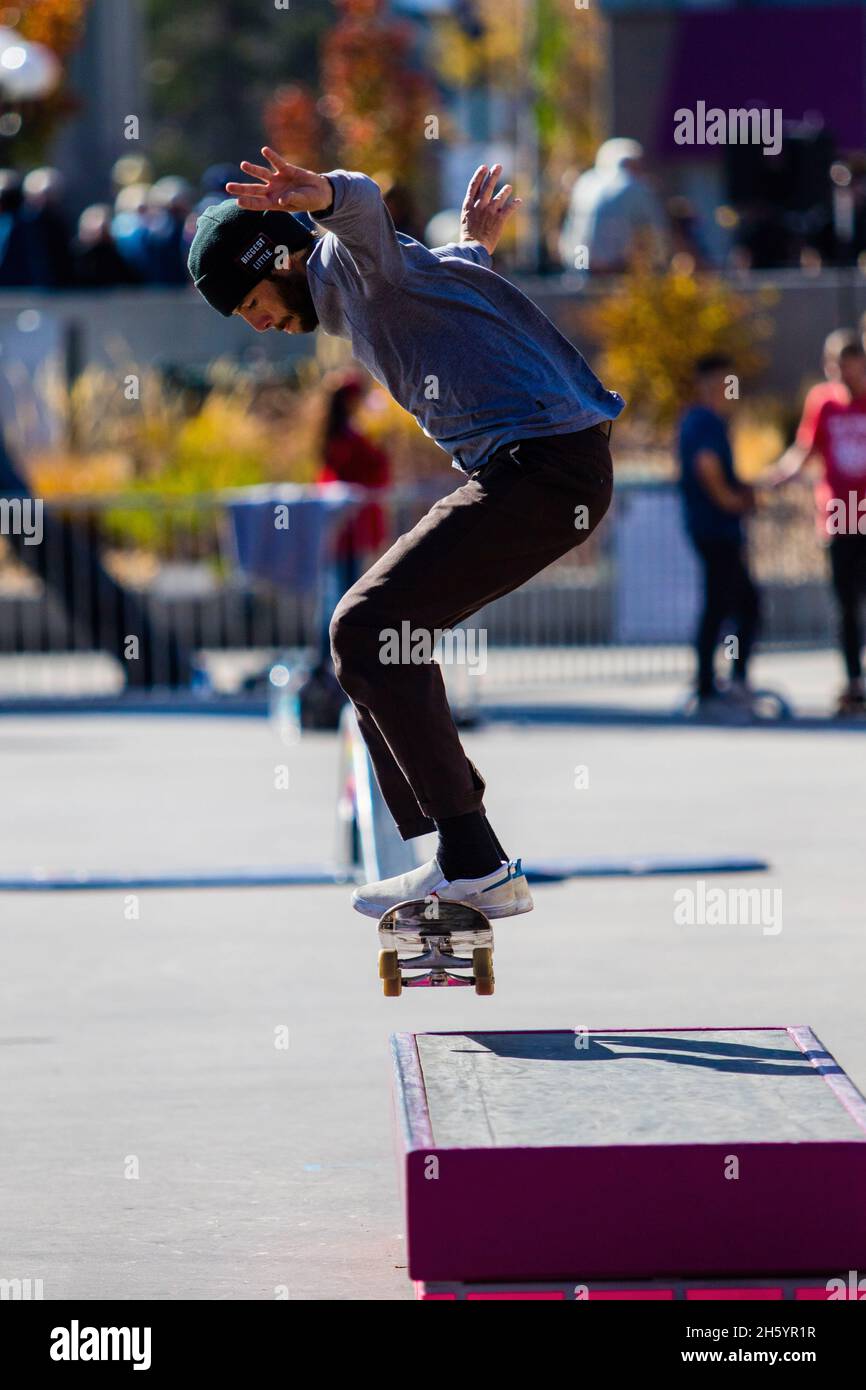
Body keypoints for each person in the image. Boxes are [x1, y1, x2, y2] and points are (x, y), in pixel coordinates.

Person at [189, 150, 623, 919]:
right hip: (544, 471)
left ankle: (472, 858)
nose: (258, 322)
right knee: (380, 637)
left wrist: (323, 193)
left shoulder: (353, 268)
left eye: (252, 300)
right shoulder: (369, 288)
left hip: (541, 470)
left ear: (280, 258)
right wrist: (477, 246)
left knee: (364, 627)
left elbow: (362, 208)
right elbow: (442, 276)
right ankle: (467, 856)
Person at [777, 339, 866, 714]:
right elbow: (805, 451)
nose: (844, 375)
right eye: (836, 367)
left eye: (851, 366)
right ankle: (854, 682)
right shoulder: (823, 401)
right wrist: (775, 477)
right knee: (845, 606)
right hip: (838, 518)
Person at [677, 354, 759, 712]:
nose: (733, 391)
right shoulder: (704, 421)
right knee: (739, 604)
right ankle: (716, 685)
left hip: (715, 530)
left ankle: (713, 682)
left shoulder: (707, 421)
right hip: (714, 530)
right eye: (728, 383)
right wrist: (733, 501)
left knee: (726, 603)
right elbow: (706, 467)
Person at [317, 375, 391, 596]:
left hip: (344, 525)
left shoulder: (338, 434)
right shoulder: (346, 438)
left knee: (339, 588)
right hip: (347, 525)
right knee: (345, 592)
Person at [558, 138, 667, 274]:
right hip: (613, 266)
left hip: (579, 263)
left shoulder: (585, 182)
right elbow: (657, 227)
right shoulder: (633, 185)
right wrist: (662, 264)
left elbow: (571, 228)